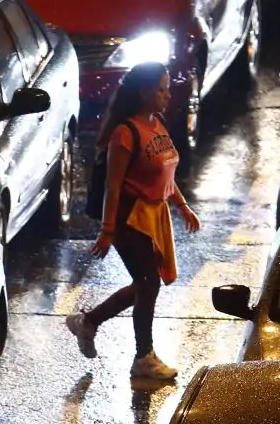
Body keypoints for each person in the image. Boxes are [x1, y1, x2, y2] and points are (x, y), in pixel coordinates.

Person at [65, 62, 200, 384]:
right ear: (144, 92)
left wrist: (182, 206)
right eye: (161, 89)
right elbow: (113, 186)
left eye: (167, 88)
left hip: (154, 215)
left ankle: (89, 321)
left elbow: (166, 173)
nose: (167, 95)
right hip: (130, 219)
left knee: (144, 283)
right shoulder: (125, 133)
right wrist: (107, 230)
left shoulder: (158, 124)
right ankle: (143, 357)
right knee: (148, 283)